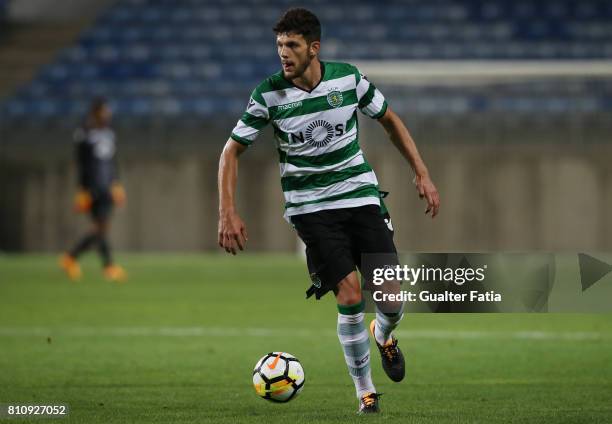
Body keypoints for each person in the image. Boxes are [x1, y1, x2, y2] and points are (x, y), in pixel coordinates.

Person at [217, 8, 440, 414]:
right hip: (310, 209)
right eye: (279, 45)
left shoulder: (348, 78)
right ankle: (365, 392)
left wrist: (421, 173)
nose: (283, 53)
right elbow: (231, 151)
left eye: (292, 45)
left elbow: (390, 120)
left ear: (313, 48)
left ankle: (384, 335)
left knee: (390, 297)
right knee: (350, 292)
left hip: (360, 197)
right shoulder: (267, 94)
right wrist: (227, 211)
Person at [59, 97, 127, 282]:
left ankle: (71, 258)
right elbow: (82, 164)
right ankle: (107, 266)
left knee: (101, 228)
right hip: (93, 186)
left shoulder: (110, 132)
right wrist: (82, 189)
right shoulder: (84, 133)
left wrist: (116, 184)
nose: (108, 113)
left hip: (107, 185)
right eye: (105, 110)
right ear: (96, 112)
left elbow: (112, 162)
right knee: (100, 227)